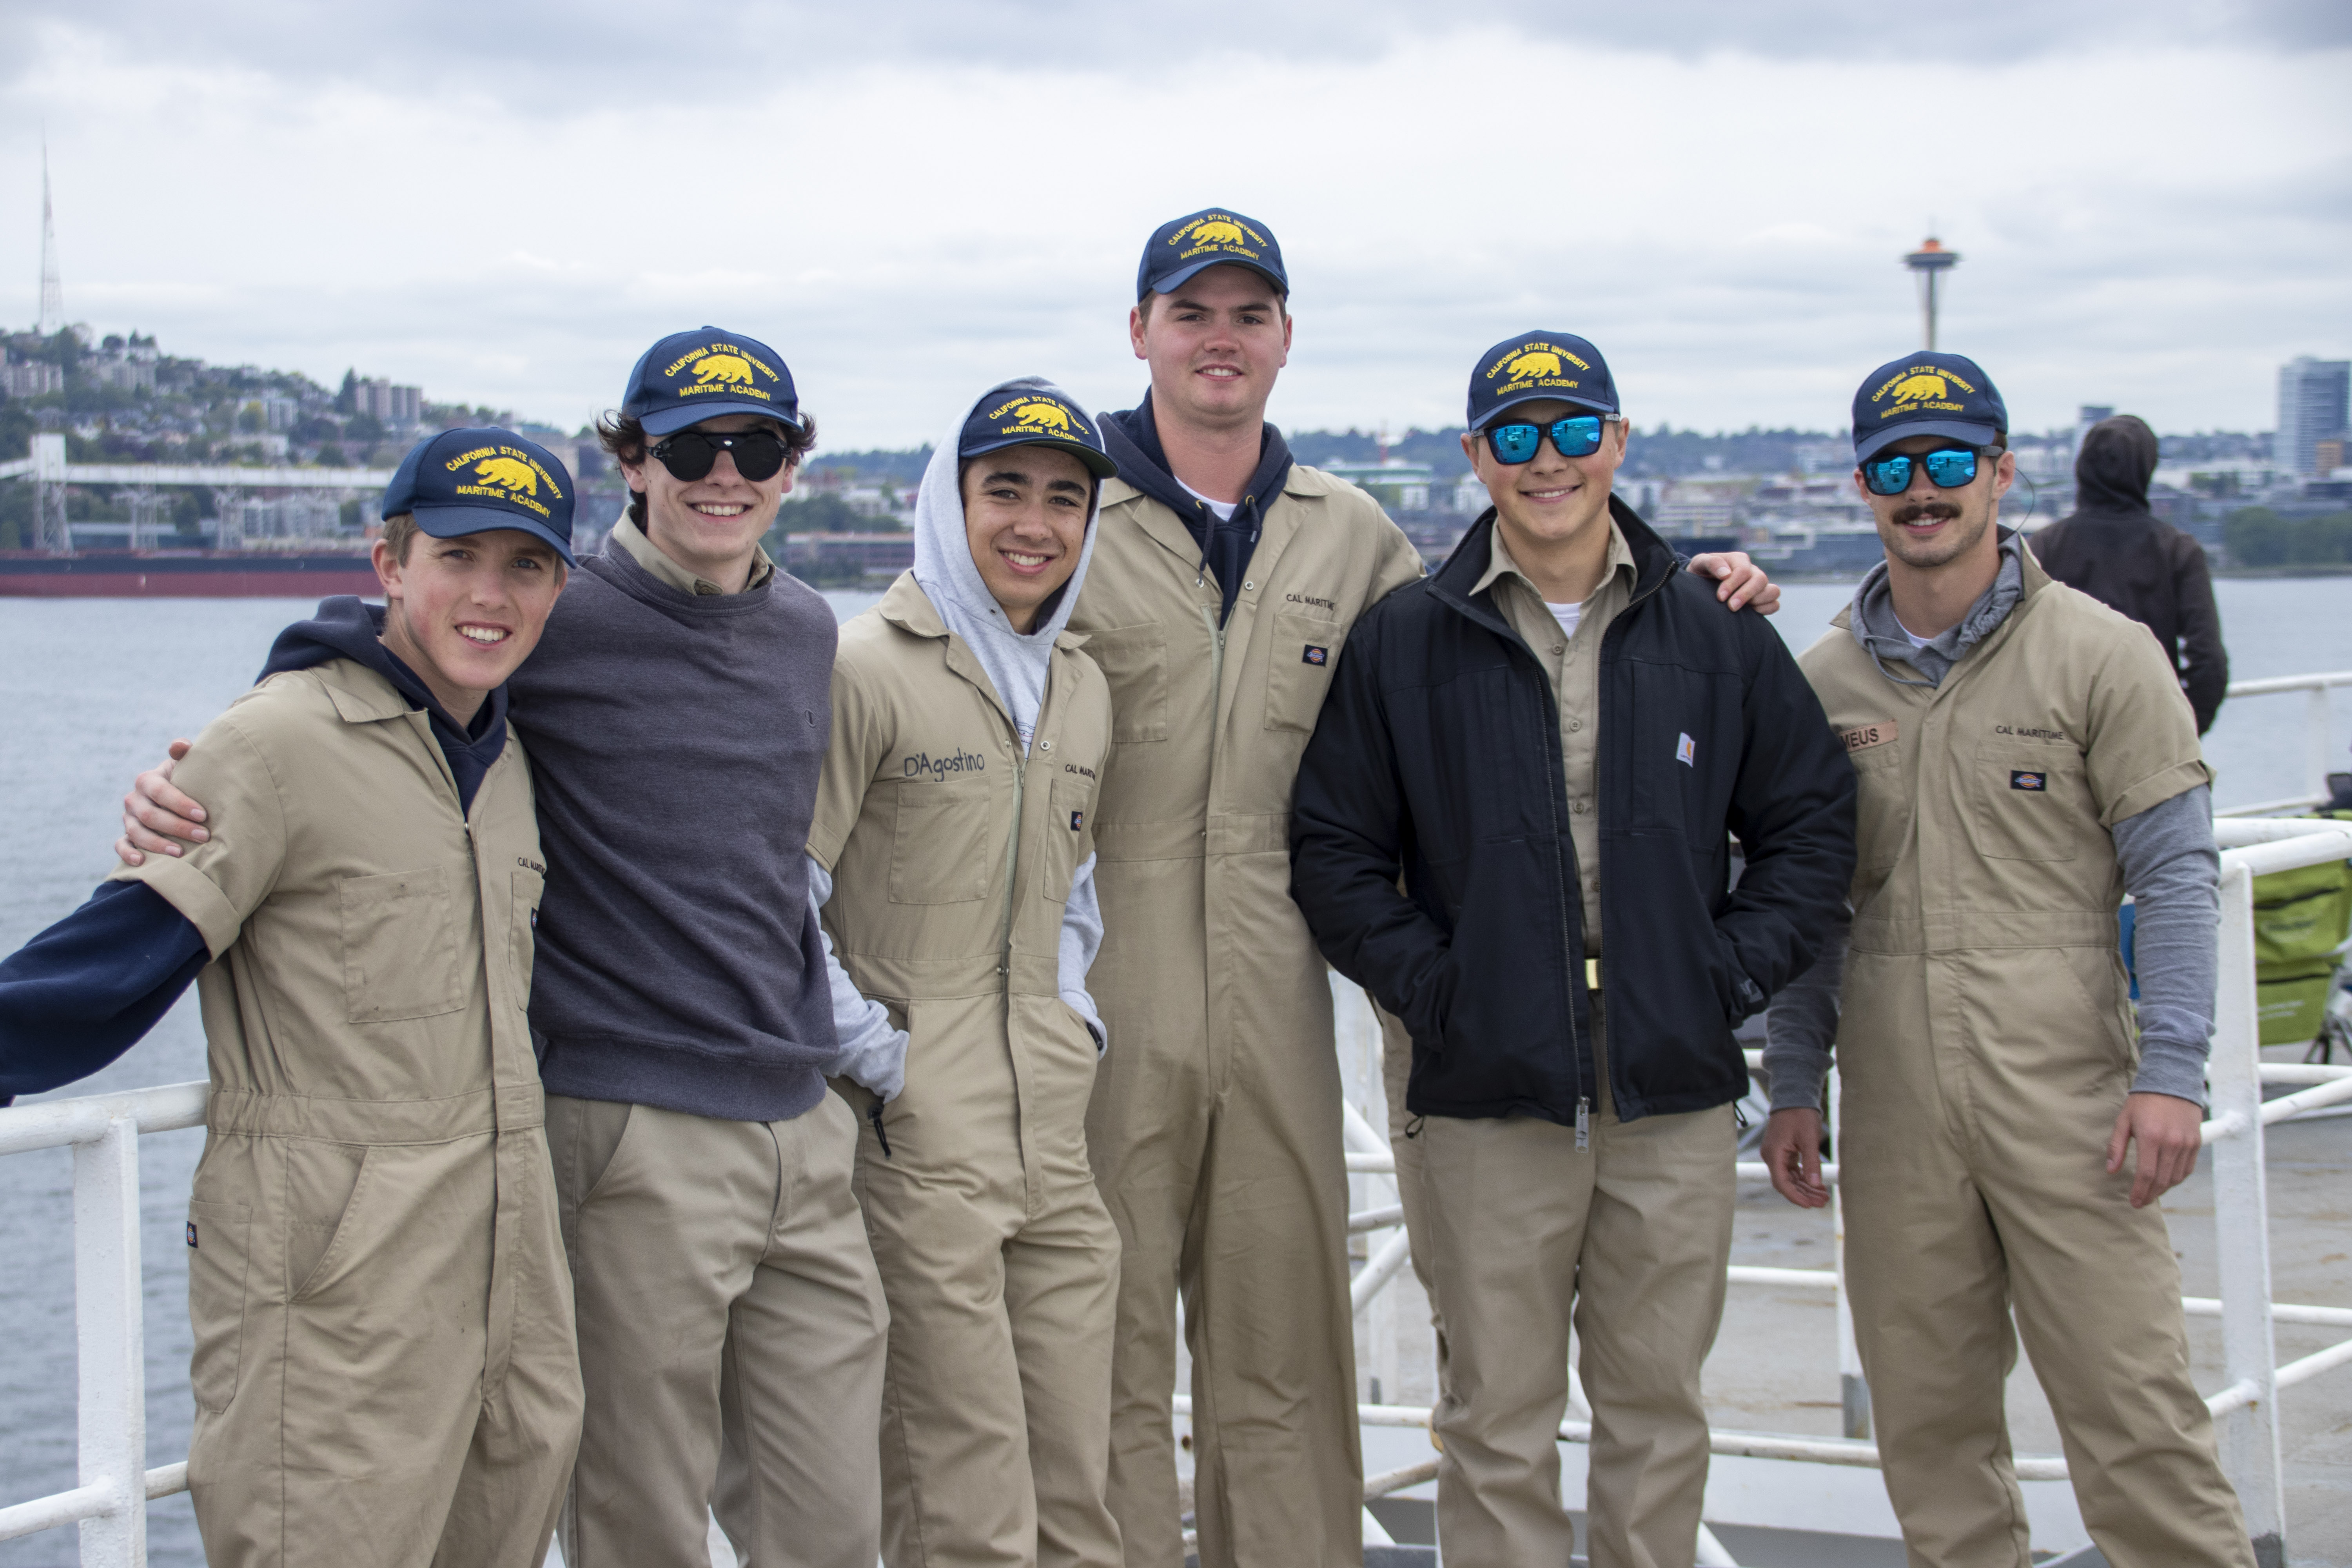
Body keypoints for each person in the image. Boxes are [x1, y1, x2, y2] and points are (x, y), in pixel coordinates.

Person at [1071, 215, 1784, 1567]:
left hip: (1285, 1005)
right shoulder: (1064, 520)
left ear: (1285, 336)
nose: (1222, 339)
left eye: (1250, 314)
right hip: (1104, 1001)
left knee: (1284, 1354)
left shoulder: (1353, 538)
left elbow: (1521, 622)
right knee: (1094, 1349)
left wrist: (1702, 579)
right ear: (1141, 331)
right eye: (1193, 312)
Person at [118, 330, 891, 1568]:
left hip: (801, 1118)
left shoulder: (806, 626)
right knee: (641, 1522)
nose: (724, 470)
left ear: (796, 462)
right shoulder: (556, 610)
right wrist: (195, 772)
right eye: (690, 443)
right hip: (631, 1123)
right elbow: (377, 651)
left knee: (836, 1522)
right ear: (633, 457)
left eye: (758, 444)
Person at [1288, 331, 1855, 1568]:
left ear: (1615, 439)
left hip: (1672, 1082)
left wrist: (1725, 975)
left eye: (1570, 430)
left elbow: (1812, 826)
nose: (1546, 461)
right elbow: (1331, 853)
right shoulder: (1404, 640)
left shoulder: (1714, 629)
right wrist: (1445, 992)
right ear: (1474, 458)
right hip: (1488, 1093)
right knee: (1495, 1418)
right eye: (1515, 435)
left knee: (1657, 1412)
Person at [1, 429, 583, 1567]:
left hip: (512, 1289)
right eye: (459, 556)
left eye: (526, 566)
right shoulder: (275, 739)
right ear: (388, 563)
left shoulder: (510, 763)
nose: (489, 594)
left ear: (559, 586)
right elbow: (106, 965)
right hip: (331, 1298)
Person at [1760, 353, 2258, 1567]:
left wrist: (2171, 1071)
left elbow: (2176, 877)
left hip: (2070, 1095)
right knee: (1927, 1436)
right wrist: (1788, 1083)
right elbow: (1808, 906)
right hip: (1893, 1110)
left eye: (1945, 463)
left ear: (1998, 472)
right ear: (1862, 486)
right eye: (1892, 468)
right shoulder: (1820, 683)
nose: (1919, 491)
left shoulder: (2101, 655)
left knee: (2133, 1414)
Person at [807, 377, 1124, 1568]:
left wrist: (1073, 1018)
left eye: (1063, 497)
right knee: (962, 1492)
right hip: (917, 1132)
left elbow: (1072, 882)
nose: (1033, 522)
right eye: (1004, 491)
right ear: (949, 498)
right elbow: (786, 894)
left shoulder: (1083, 681)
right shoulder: (862, 667)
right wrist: (884, 1060)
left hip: (1053, 1120)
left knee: (1073, 1490)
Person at [2029, 412, 2229, 733]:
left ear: (2082, 466)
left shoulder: (2046, 546)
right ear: (2147, 469)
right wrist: (2182, 732)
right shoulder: (2178, 550)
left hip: (2059, 729)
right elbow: (2209, 661)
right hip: (2150, 728)